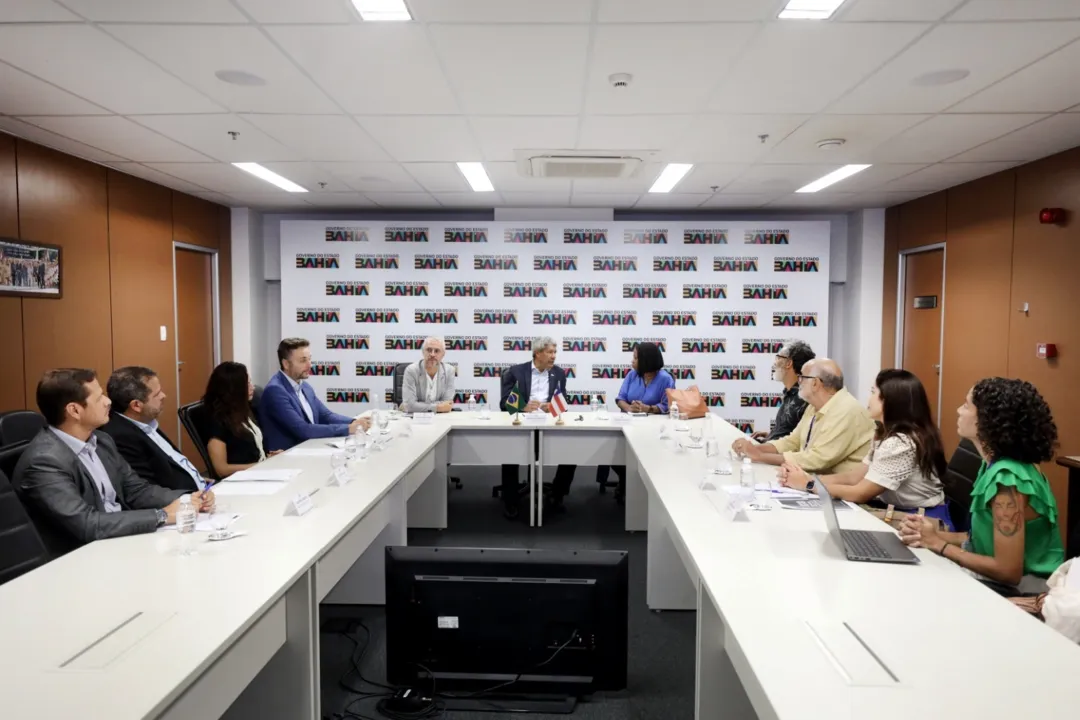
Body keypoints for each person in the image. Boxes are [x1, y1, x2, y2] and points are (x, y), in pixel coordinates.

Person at [14, 368, 213, 556]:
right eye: (99, 398)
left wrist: (189, 499)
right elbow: (87, 524)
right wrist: (161, 515)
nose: (108, 401)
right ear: (74, 410)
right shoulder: (45, 461)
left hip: (117, 540)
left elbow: (136, 490)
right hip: (80, 557)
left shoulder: (101, 441)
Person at [901, 378, 1064, 592]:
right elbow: (982, 540)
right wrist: (929, 533)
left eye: (967, 405)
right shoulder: (996, 466)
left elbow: (1008, 571)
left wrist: (938, 545)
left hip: (1022, 590)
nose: (959, 411)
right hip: (1002, 580)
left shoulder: (1007, 479)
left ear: (988, 419)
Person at [779, 369, 953, 529]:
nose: (868, 399)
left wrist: (808, 484)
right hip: (901, 513)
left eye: (873, 392)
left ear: (891, 401)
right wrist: (807, 478)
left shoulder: (901, 443)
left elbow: (860, 492)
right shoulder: (885, 433)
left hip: (923, 522)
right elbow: (853, 477)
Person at [731, 358, 874, 473]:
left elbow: (817, 459)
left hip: (845, 495)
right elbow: (793, 441)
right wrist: (755, 449)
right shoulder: (814, 406)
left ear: (815, 383)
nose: (798, 382)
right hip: (818, 482)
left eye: (802, 378)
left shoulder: (846, 410)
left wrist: (760, 456)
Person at [498, 337, 577, 519]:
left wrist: (554, 406)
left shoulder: (558, 373)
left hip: (549, 423)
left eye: (555, 352)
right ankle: (510, 500)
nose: (553, 356)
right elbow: (504, 403)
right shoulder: (515, 372)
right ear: (538, 353)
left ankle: (557, 494)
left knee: (572, 451)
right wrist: (523, 406)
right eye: (550, 352)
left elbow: (563, 402)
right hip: (522, 423)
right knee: (509, 451)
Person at [101, 366, 208, 492]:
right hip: (184, 502)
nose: (164, 396)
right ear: (136, 405)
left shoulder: (146, 422)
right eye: (157, 394)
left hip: (201, 490)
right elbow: (148, 489)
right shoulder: (121, 437)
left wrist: (197, 479)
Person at [259, 338, 371, 452]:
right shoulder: (275, 391)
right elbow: (303, 430)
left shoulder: (305, 386)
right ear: (286, 364)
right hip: (286, 457)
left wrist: (354, 422)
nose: (309, 365)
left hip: (307, 449)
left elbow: (326, 416)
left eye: (309, 359)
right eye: (303, 360)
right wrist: (348, 428)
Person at [597, 342, 675, 502]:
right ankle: (627, 480)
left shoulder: (666, 379)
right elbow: (620, 399)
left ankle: (633, 486)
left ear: (646, 360)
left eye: (635, 358)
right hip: (628, 423)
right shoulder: (632, 375)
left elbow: (667, 407)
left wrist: (648, 408)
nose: (632, 361)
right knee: (612, 454)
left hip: (653, 429)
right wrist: (629, 409)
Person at [203, 361, 281, 478]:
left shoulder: (245, 411)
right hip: (243, 480)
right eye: (247, 384)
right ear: (234, 389)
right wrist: (260, 465)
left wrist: (269, 458)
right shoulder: (217, 421)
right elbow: (221, 469)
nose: (252, 387)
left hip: (260, 472)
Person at [754, 340, 815, 442]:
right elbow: (792, 432)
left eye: (778, 358)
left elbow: (799, 443)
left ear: (789, 363)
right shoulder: (791, 393)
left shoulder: (803, 398)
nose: (774, 363)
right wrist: (771, 435)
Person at [400, 337, 455, 413]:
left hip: (440, 417)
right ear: (423, 352)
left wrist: (418, 405)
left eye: (437, 351)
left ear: (443, 354)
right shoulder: (411, 370)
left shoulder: (449, 371)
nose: (432, 354)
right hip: (414, 417)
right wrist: (438, 407)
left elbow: (448, 404)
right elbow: (409, 406)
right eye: (429, 350)